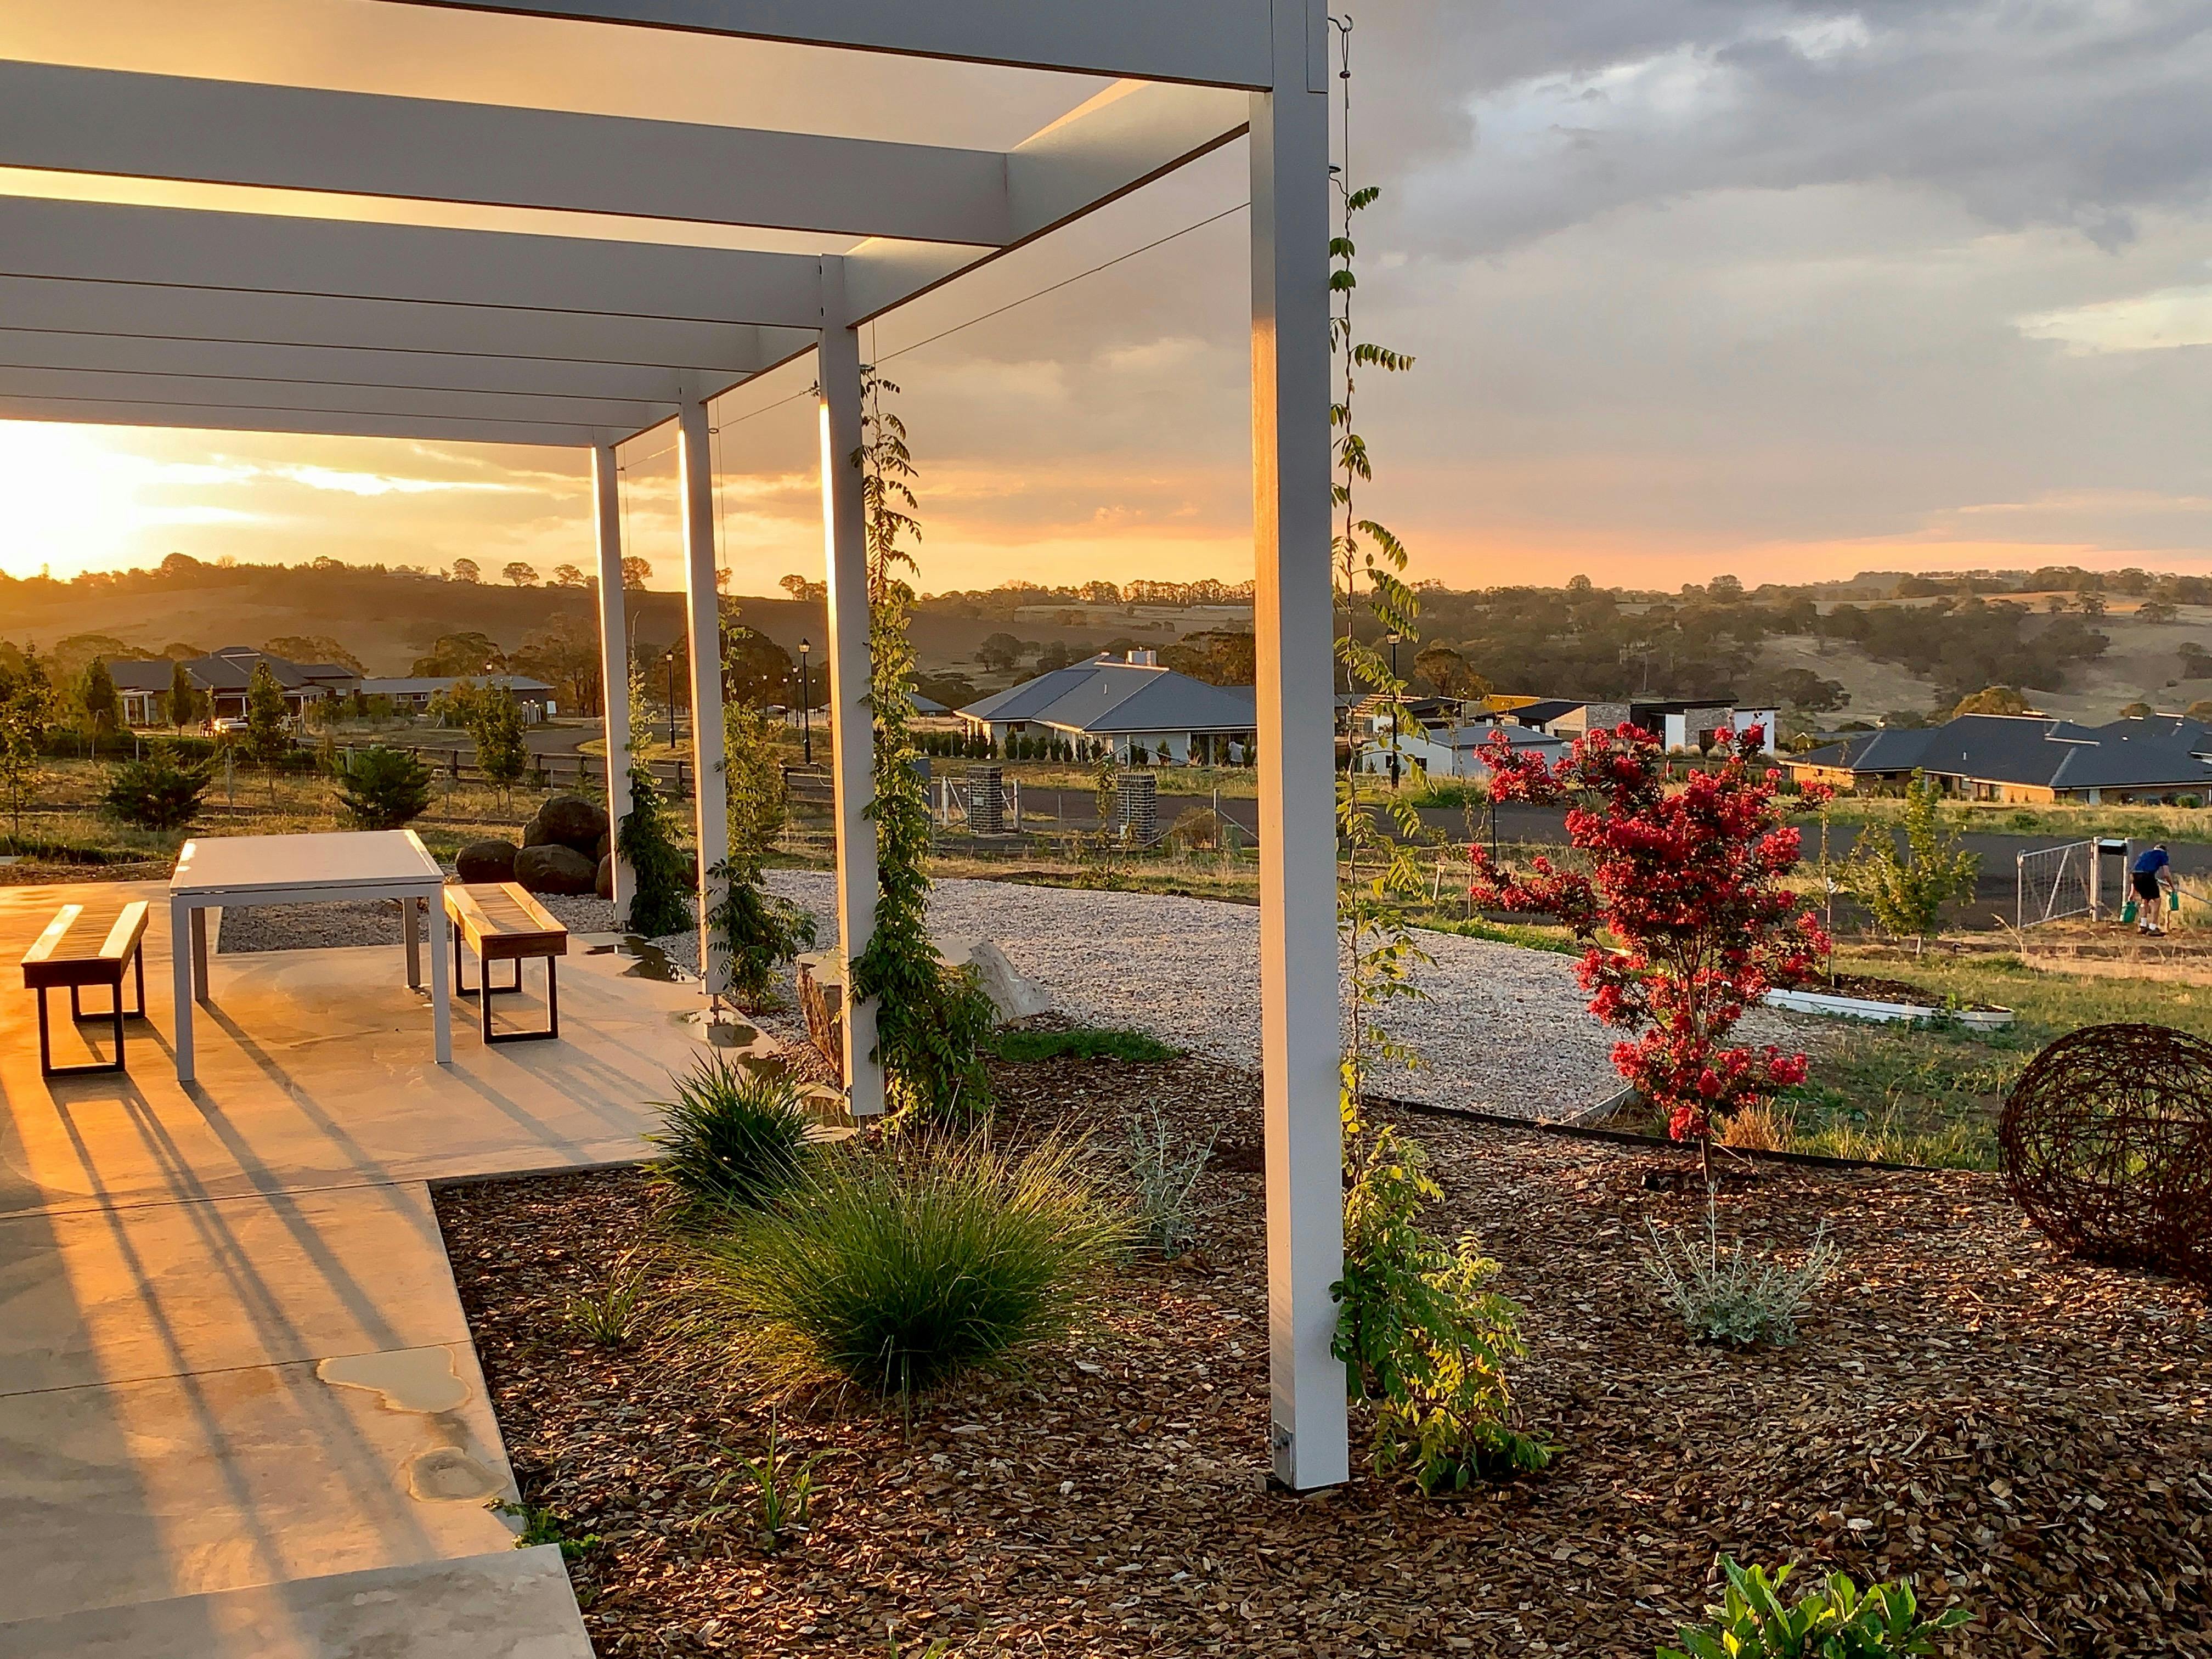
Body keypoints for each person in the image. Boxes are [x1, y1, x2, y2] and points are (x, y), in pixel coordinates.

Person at [2132, 841, 2175, 935]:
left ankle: (2143, 926)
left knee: (2145, 899)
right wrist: (2172, 886)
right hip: (2147, 875)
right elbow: (2166, 874)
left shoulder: (2145, 853)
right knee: (2157, 901)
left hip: (2136, 875)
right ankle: (2153, 927)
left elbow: (2136, 869)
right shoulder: (2162, 854)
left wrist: (2132, 892)